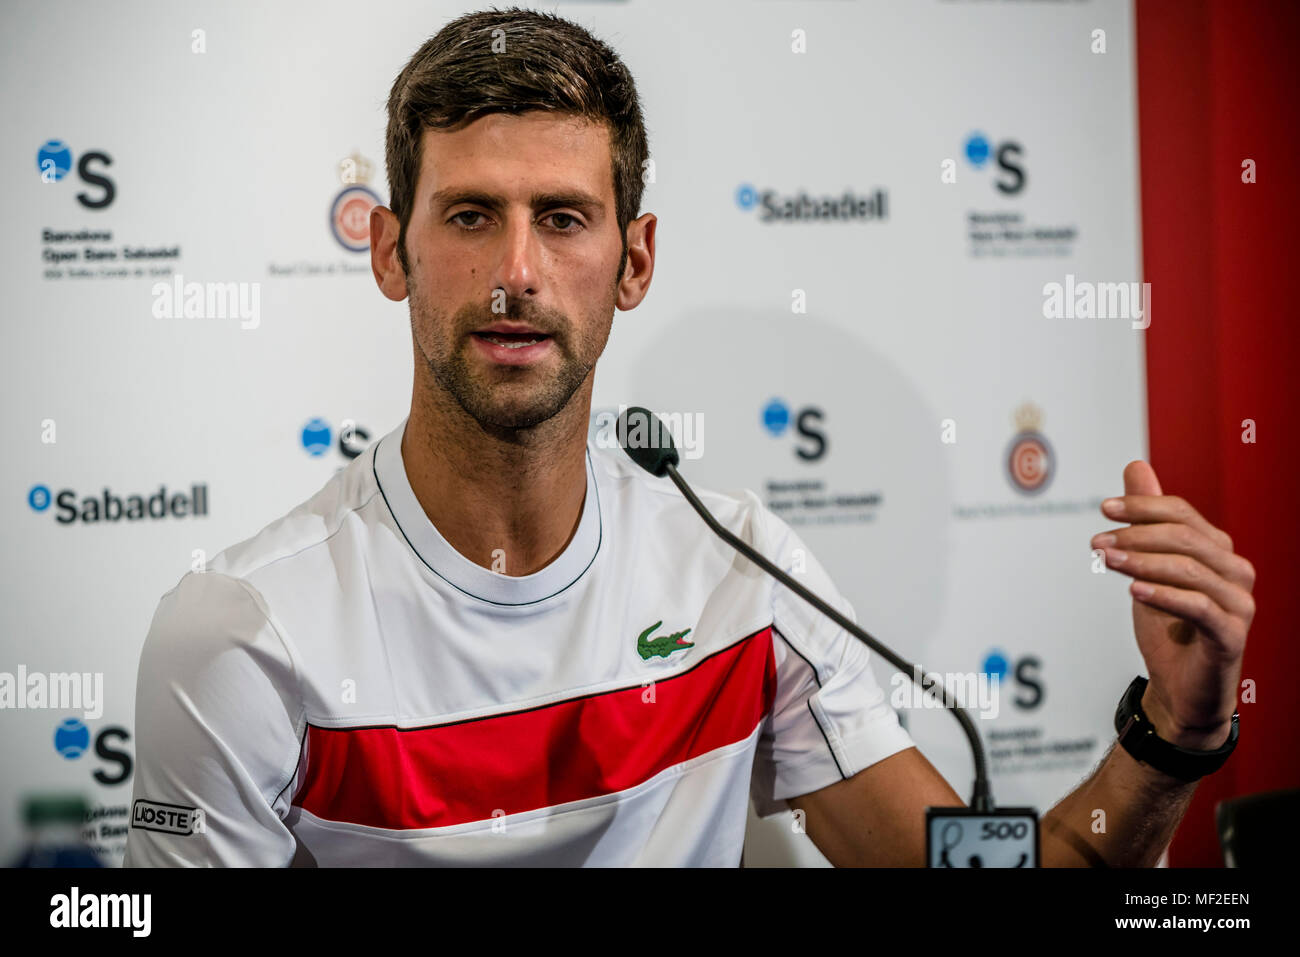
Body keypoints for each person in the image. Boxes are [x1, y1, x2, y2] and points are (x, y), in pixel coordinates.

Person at [123, 7, 1256, 867]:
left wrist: (1168, 733)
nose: (516, 272)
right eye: (470, 216)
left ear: (634, 262)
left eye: (562, 219)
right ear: (388, 252)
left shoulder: (742, 575)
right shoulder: (240, 633)